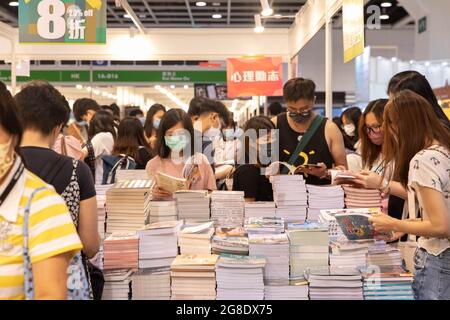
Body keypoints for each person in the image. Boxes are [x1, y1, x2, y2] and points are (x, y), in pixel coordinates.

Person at [15, 81, 101, 298]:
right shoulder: (77, 170)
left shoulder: (4, 170)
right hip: (64, 284)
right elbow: (90, 245)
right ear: (57, 127)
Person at [0, 81, 82, 300]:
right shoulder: (76, 169)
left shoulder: (42, 205)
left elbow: (51, 293)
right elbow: (91, 243)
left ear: (13, 133)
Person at [368, 90, 450, 300]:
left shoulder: (422, 160)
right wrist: (406, 224)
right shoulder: (443, 150)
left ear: (400, 126)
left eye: (387, 125)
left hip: (438, 259)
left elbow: (440, 226)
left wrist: (395, 224)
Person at [272, 78, 347, 185]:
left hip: (320, 197)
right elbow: (261, 165)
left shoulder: (330, 129)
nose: (298, 113)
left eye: (304, 109)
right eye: (292, 109)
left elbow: (344, 171)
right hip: (283, 196)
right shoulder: (274, 125)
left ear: (314, 100)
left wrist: (326, 173)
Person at [146, 109, 216, 200]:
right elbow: (146, 199)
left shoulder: (201, 161)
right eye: (170, 135)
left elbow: (213, 194)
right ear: (163, 136)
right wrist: (153, 194)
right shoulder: (153, 165)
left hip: (196, 212)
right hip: (166, 212)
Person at [233, 116, 275, 202]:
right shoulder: (248, 170)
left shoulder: (262, 161)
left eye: (274, 137)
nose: (272, 142)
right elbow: (249, 207)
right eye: (266, 139)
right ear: (252, 142)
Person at [83, 110, 116, 185]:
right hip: (108, 180)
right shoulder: (111, 135)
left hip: (100, 182)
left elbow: (82, 154)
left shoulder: (101, 137)